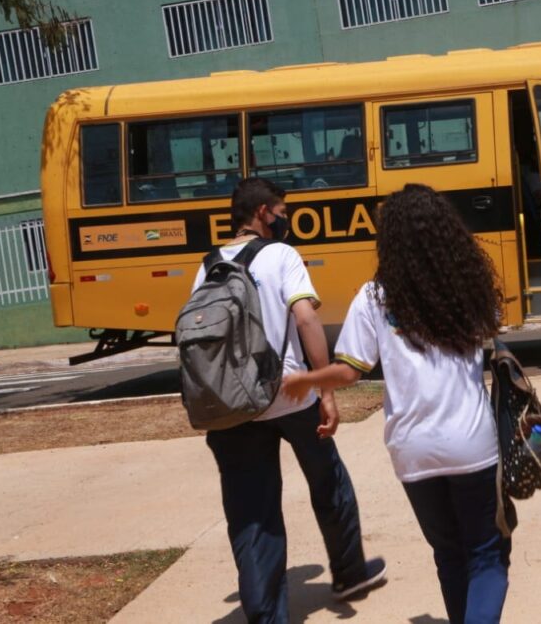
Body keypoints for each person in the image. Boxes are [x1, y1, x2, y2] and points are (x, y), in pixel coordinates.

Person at [283, 183, 509, 624]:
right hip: (471, 444)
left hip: (412, 449)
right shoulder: (468, 286)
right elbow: (492, 327)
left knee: (448, 554)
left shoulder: (374, 296)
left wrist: (310, 378)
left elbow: (350, 370)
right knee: (486, 554)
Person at [194, 177, 385, 623]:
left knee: (251, 511)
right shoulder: (282, 255)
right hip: (290, 395)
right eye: (281, 210)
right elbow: (306, 320)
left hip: (232, 406)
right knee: (329, 481)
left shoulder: (207, 266)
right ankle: (350, 571)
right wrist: (326, 390)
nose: (285, 218)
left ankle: (265, 615)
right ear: (263, 213)